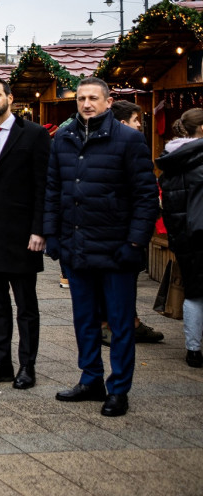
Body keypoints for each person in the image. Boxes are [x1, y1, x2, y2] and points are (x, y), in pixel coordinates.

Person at [44, 77, 159, 417]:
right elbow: (53, 190)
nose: (86, 104)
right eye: (81, 98)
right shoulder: (63, 138)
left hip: (116, 249)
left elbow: (145, 197)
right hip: (77, 247)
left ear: (109, 102)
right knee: (85, 320)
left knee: (121, 324)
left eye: (93, 98)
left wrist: (135, 242)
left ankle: (119, 389)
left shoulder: (128, 139)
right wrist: (53, 236)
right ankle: (91, 378)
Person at [0, 75, 49, 389]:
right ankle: (0, 361)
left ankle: (27, 366)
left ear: (9, 98)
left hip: (22, 236)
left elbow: (44, 186)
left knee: (26, 306)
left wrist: (39, 229)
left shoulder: (35, 135)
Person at [106, 100, 163, 346]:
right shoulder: (128, 148)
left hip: (125, 229)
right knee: (119, 281)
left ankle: (130, 322)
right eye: (136, 120)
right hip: (121, 229)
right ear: (122, 123)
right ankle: (120, 325)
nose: (140, 124)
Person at [157, 109, 203, 368]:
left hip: (183, 236)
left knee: (194, 292)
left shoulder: (171, 160)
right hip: (200, 232)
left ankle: (193, 349)